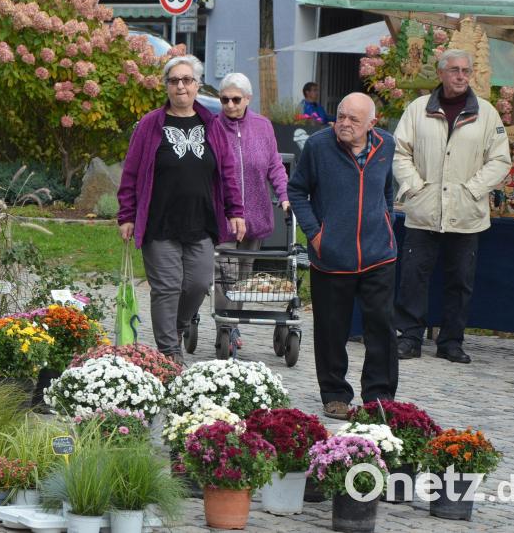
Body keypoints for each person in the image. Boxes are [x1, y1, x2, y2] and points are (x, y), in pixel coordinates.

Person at [117, 55, 246, 364]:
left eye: (187, 80)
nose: (180, 86)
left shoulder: (212, 124)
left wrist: (235, 210)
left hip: (200, 221)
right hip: (159, 222)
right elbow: (131, 172)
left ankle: (176, 328)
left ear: (197, 85)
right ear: (166, 86)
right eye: (174, 81)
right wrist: (127, 215)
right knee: (167, 288)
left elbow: (227, 170)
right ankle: (169, 354)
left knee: (199, 283)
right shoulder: (151, 124)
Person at [393, 49, 511, 364]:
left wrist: (473, 190)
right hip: (423, 211)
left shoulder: (486, 114)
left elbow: (500, 160)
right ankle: (410, 338)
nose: (461, 76)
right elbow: (400, 152)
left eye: (465, 71)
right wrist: (416, 187)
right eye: (455, 70)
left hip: (467, 213)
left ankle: (451, 342)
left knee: (460, 280)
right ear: (441, 73)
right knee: (413, 277)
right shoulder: (417, 110)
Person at [288, 92, 398, 420]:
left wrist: (387, 220)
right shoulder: (319, 146)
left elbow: (386, 188)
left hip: (379, 253)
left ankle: (379, 395)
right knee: (332, 328)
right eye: (341, 115)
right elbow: (297, 190)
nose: (344, 124)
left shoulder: (386, 145)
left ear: (372, 124)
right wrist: (316, 234)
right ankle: (334, 393)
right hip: (332, 255)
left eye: (354, 119)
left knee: (381, 326)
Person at [218, 72, 290, 274]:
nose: (230, 105)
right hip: (223, 219)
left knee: (244, 278)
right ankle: (224, 308)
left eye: (236, 99)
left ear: (248, 98)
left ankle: (237, 307)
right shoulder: (213, 127)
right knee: (224, 277)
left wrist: (284, 195)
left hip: (255, 217)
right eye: (225, 99)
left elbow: (274, 165)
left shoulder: (262, 126)